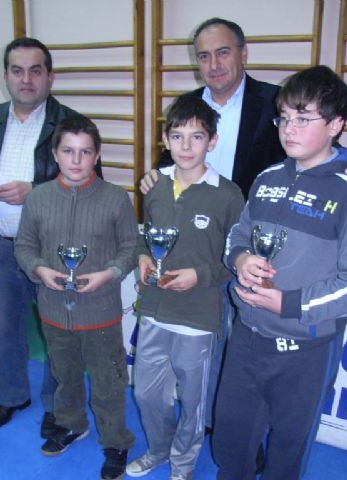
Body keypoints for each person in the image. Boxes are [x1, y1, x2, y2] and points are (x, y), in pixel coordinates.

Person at [140, 17, 347, 435]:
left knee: (243, 348)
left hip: (261, 251)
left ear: (243, 53)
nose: (214, 64)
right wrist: (152, 177)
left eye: (223, 52)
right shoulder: (188, 105)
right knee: (212, 349)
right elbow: (172, 160)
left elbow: (319, 143)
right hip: (204, 247)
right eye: (204, 56)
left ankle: (235, 430)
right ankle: (217, 426)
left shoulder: (274, 103)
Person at [213, 65, 347, 480]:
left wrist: (289, 303)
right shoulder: (266, 178)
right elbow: (238, 234)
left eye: (304, 119)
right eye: (284, 117)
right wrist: (240, 259)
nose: (289, 129)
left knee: (287, 451)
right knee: (230, 443)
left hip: (305, 351)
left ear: (335, 125)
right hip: (247, 338)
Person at [0, 38, 101, 435]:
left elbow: (93, 186)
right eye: (17, 70)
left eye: (35, 70)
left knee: (58, 334)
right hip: (1, 246)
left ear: (50, 77)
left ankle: (57, 406)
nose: (26, 79)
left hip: (53, 250)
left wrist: (35, 190)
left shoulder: (71, 124)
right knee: (6, 331)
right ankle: (12, 395)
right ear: (5, 76)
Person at [127, 96, 245, 480]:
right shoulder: (155, 185)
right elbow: (146, 236)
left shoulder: (228, 194)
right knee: (146, 392)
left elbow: (237, 257)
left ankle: (183, 462)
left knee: (193, 400)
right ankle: (159, 449)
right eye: (177, 136)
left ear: (212, 141)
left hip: (199, 315)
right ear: (166, 139)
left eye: (197, 137)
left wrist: (200, 275)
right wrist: (142, 257)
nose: (186, 146)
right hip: (154, 308)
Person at [14, 114, 137, 480]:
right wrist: (39, 270)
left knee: (108, 381)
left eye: (85, 152)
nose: (77, 160)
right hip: (54, 310)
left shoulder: (115, 199)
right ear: (55, 154)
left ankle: (115, 440)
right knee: (64, 375)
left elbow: (131, 248)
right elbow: (24, 246)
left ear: (97, 156)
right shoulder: (38, 198)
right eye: (68, 151)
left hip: (100, 311)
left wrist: (109, 273)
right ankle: (71, 424)